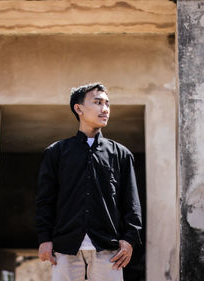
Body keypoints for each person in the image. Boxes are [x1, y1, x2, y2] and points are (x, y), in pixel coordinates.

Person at [35, 83, 142, 281]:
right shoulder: (56, 153)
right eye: (98, 102)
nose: (105, 109)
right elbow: (45, 200)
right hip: (65, 247)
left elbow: (131, 202)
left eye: (107, 104)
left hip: (108, 249)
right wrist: (44, 238)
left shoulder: (121, 155)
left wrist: (129, 239)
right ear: (79, 108)